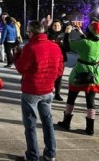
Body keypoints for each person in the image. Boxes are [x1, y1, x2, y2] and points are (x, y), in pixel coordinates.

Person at [14, 20, 63, 161]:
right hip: (48, 90)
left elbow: (21, 68)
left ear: (31, 33)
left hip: (31, 90)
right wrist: (50, 79)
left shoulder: (30, 48)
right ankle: (50, 153)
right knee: (48, 122)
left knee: (30, 124)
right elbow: (60, 70)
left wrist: (17, 55)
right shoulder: (55, 47)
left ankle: (33, 155)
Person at [57, 21, 99, 135]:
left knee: (71, 98)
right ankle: (90, 128)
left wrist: (67, 33)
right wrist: (80, 32)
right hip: (94, 74)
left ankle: (66, 121)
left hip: (80, 72)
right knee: (90, 101)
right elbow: (90, 42)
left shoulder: (83, 42)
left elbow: (67, 46)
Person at [46, 19, 67, 101]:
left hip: (61, 58)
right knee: (49, 76)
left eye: (58, 25)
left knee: (59, 76)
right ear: (52, 26)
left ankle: (57, 93)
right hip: (50, 58)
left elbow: (68, 47)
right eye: (55, 25)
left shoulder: (65, 34)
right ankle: (48, 91)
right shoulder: (47, 34)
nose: (56, 27)